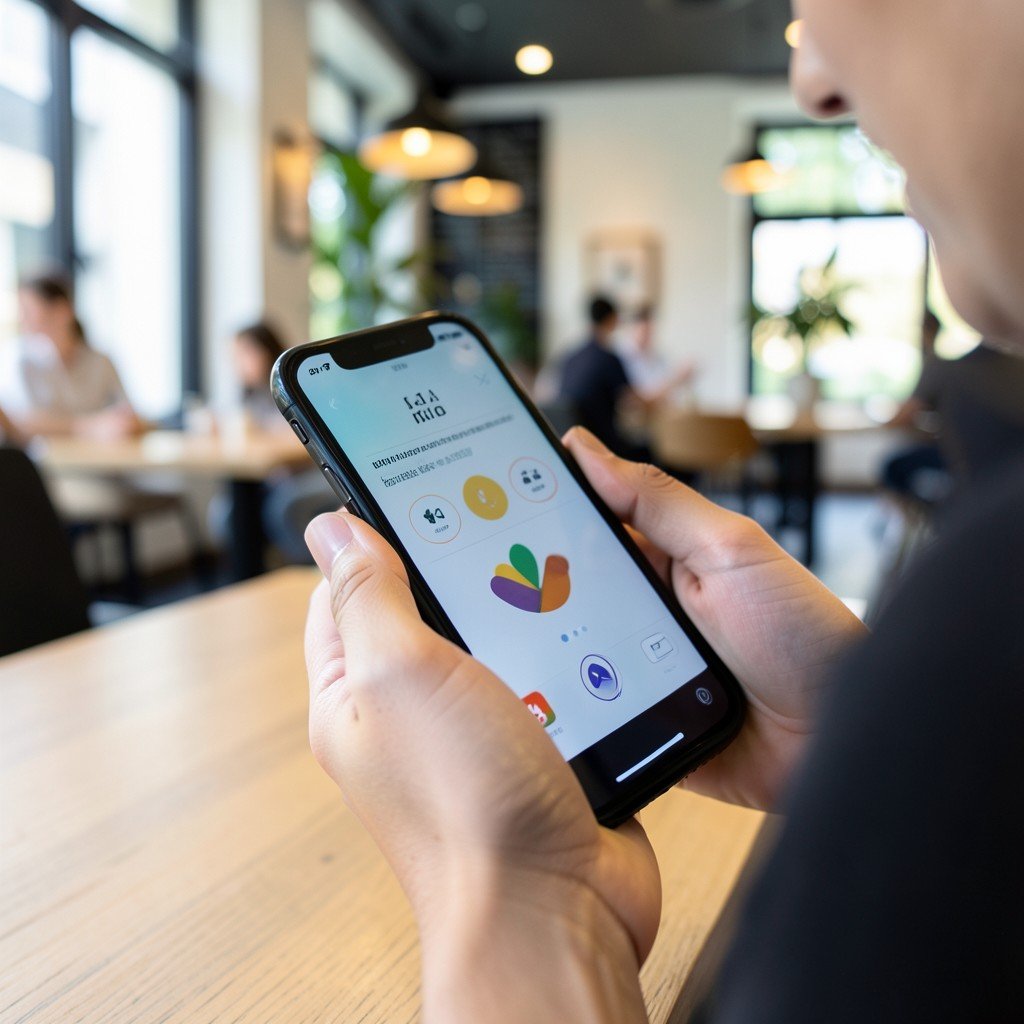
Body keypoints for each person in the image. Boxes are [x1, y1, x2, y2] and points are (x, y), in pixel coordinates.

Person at [301, 3, 1024, 1021]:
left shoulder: (989, 615)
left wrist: (521, 901)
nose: (810, 72)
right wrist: (853, 725)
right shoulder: (972, 633)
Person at [220, 321, 335, 564]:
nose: (238, 363)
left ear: (266, 350)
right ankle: (253, 574)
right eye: (235, 356)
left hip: (310, 469)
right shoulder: (248, 396)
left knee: (281, 507)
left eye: (245, 353)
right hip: (274, 473)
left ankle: (301, 572)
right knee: (228, 510)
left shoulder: (292, 386)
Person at [0, 273, 143, 440]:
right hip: (45, 462)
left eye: (28, 310)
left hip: (102, 460)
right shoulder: (18, 360)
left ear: (62, 310)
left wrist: (127, 423)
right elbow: (20, 423)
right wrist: (91, 426)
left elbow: (127, 412)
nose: (23, 319)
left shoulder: (100, 361)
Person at [557, 296, 651, 459]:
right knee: (651, 451)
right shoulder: (608, 358)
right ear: (613, 319)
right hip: (604, 448)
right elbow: (634, 403)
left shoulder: (570, 357)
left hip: (574, 448)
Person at [617, 305, 696, 404]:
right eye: (644, 331)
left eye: (650, 331)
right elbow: (642, 398)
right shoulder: (621, 357)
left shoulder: (658, 356)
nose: (648, 335)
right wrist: (676, 379)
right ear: (632, 329)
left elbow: (669, 394)